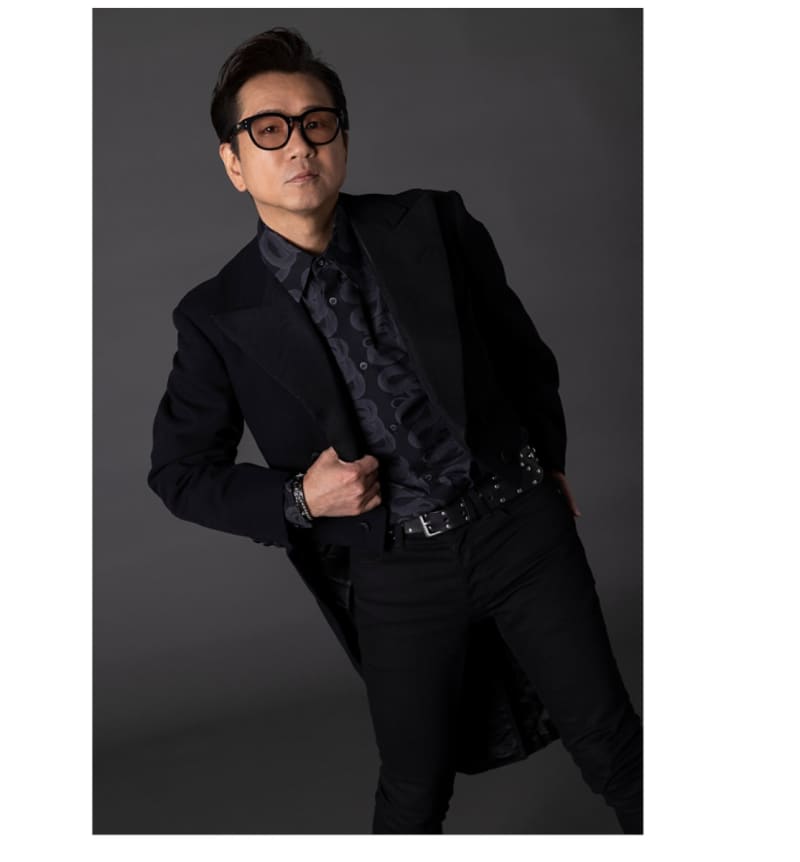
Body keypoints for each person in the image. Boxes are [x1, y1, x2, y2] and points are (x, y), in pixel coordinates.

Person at [147, 27, 643, 834]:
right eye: (268, 129)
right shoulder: (216, 316)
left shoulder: (434, 224)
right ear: (234, 163)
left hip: (521, 528)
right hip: (395, 570)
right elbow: (179, 473)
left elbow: (524, 359)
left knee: (615, 745)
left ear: (341, 139)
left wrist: (546, 466)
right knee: (413, 790)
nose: (298, 144)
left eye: (316, 122)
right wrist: (299, 500)